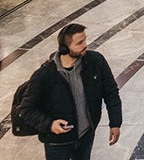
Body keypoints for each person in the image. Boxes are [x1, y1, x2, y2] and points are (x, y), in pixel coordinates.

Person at [19, 23, 122, 160]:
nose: (85, 45)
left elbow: (111, 93)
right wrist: (50, 124)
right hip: (57, 143)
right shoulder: (44, 75)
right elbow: (26, 109)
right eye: (79, 43)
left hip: (86, 135)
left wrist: (115, 123)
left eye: (85, 39)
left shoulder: (96, 61)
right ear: (64, 48)